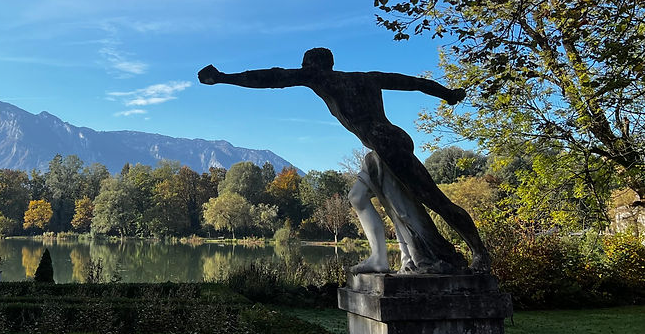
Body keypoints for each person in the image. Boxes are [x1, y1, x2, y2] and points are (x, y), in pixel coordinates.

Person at [198, 47, 490, 272]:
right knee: (358, 197)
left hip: (387, 144)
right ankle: (380, 258)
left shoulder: (318, 76)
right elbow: (412, 82)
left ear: (311, 65)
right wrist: (447, 94)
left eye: (305, 66)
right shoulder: (366, 78)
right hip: (383, 143)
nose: (302, 71)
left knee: (433, 199)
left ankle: (478, 254)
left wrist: (223, 78)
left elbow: (272, 78)